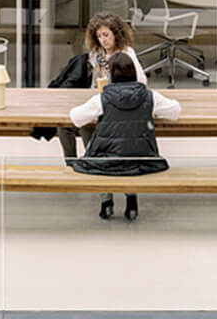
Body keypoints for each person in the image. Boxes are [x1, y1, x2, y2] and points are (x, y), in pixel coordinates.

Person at [67, 50, 181, 222]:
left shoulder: (102, 98)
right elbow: (175, 111)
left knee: (96, 153)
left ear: (111, 75)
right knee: (131, 152)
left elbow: (75, 118)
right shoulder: (149, 96)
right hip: (143, 161)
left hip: (107, 164)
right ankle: (131, 200)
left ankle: (107, 202)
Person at [54, 13, 144, 163]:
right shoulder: (96, 54)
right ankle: (71, 163)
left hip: (117, 102)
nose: (103, 39)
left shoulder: (126, 54)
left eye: (106, 35)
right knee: (64, 125)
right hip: (97, 99)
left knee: (86, 124)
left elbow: (141, 82)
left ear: (116, 34)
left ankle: (92, 159)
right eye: (99, 36)